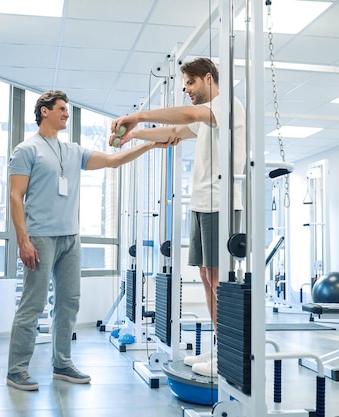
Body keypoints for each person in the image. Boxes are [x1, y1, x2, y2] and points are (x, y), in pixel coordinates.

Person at [7, 90, 172, 391]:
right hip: (40, 237)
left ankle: (62, 363)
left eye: (67, 110)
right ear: (44, 111)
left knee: (69, 303)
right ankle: (16, 369)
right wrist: (23, 241)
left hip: (71, 238)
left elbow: (113, 160)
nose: (66, 114)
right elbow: (15, 197)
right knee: (33, 304)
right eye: (61, 109)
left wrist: (150, 144)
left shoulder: (72, 150)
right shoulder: (26, 150)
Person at [108, 57, 246, 377]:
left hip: (221, 203)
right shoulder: (206, 117)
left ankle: (229, 352)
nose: (187, 90)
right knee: (205, 278)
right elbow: (174, 132)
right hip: (202, 203)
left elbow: (189, 114)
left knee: (219, 281)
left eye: (190, 83)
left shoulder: (226, 106)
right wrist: (135, 135)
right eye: (184, 85)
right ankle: (218, 348)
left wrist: (138, 115)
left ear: (208, 78)